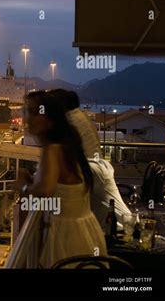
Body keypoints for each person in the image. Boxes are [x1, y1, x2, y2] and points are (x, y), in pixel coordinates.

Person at [21, 91, 107, 268]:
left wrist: (23, 187)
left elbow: (45, 189)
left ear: (50, 119)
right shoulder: (69, 145)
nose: (28, 119)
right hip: (86, 231)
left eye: (35, 112)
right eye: (27, 112)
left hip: (67, 237)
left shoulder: (52, 149)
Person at [49, 89, 131, 229]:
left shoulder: (68, 121)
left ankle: (128, 228)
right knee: (106, 208)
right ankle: (128, 227)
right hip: (97, 167)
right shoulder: (81, 116)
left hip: (89, 169)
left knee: (103, 209)